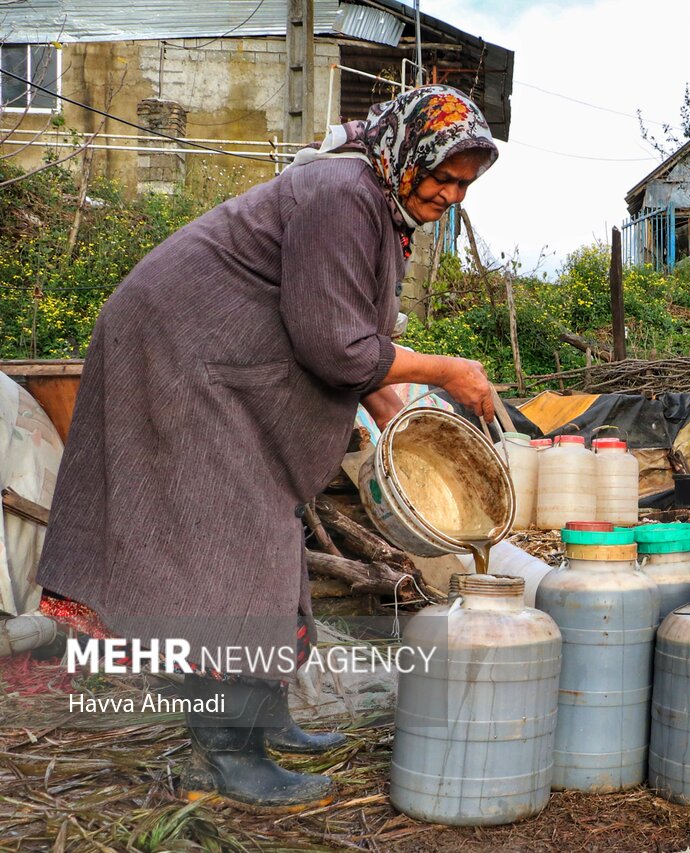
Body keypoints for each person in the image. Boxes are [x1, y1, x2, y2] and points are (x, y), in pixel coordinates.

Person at [36, 85, 499, 812]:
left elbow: (363, 345)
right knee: (226, 551)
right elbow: (337, 347)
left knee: (267, 534)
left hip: (219, 365)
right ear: (409, 151)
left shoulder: (381, 207)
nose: (448, 193)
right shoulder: (341, 192)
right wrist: (450, 372)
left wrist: (409, 426)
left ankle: (259, 715)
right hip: (179, 355)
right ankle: (228, 752)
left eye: (463, 184)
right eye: (441, 174)